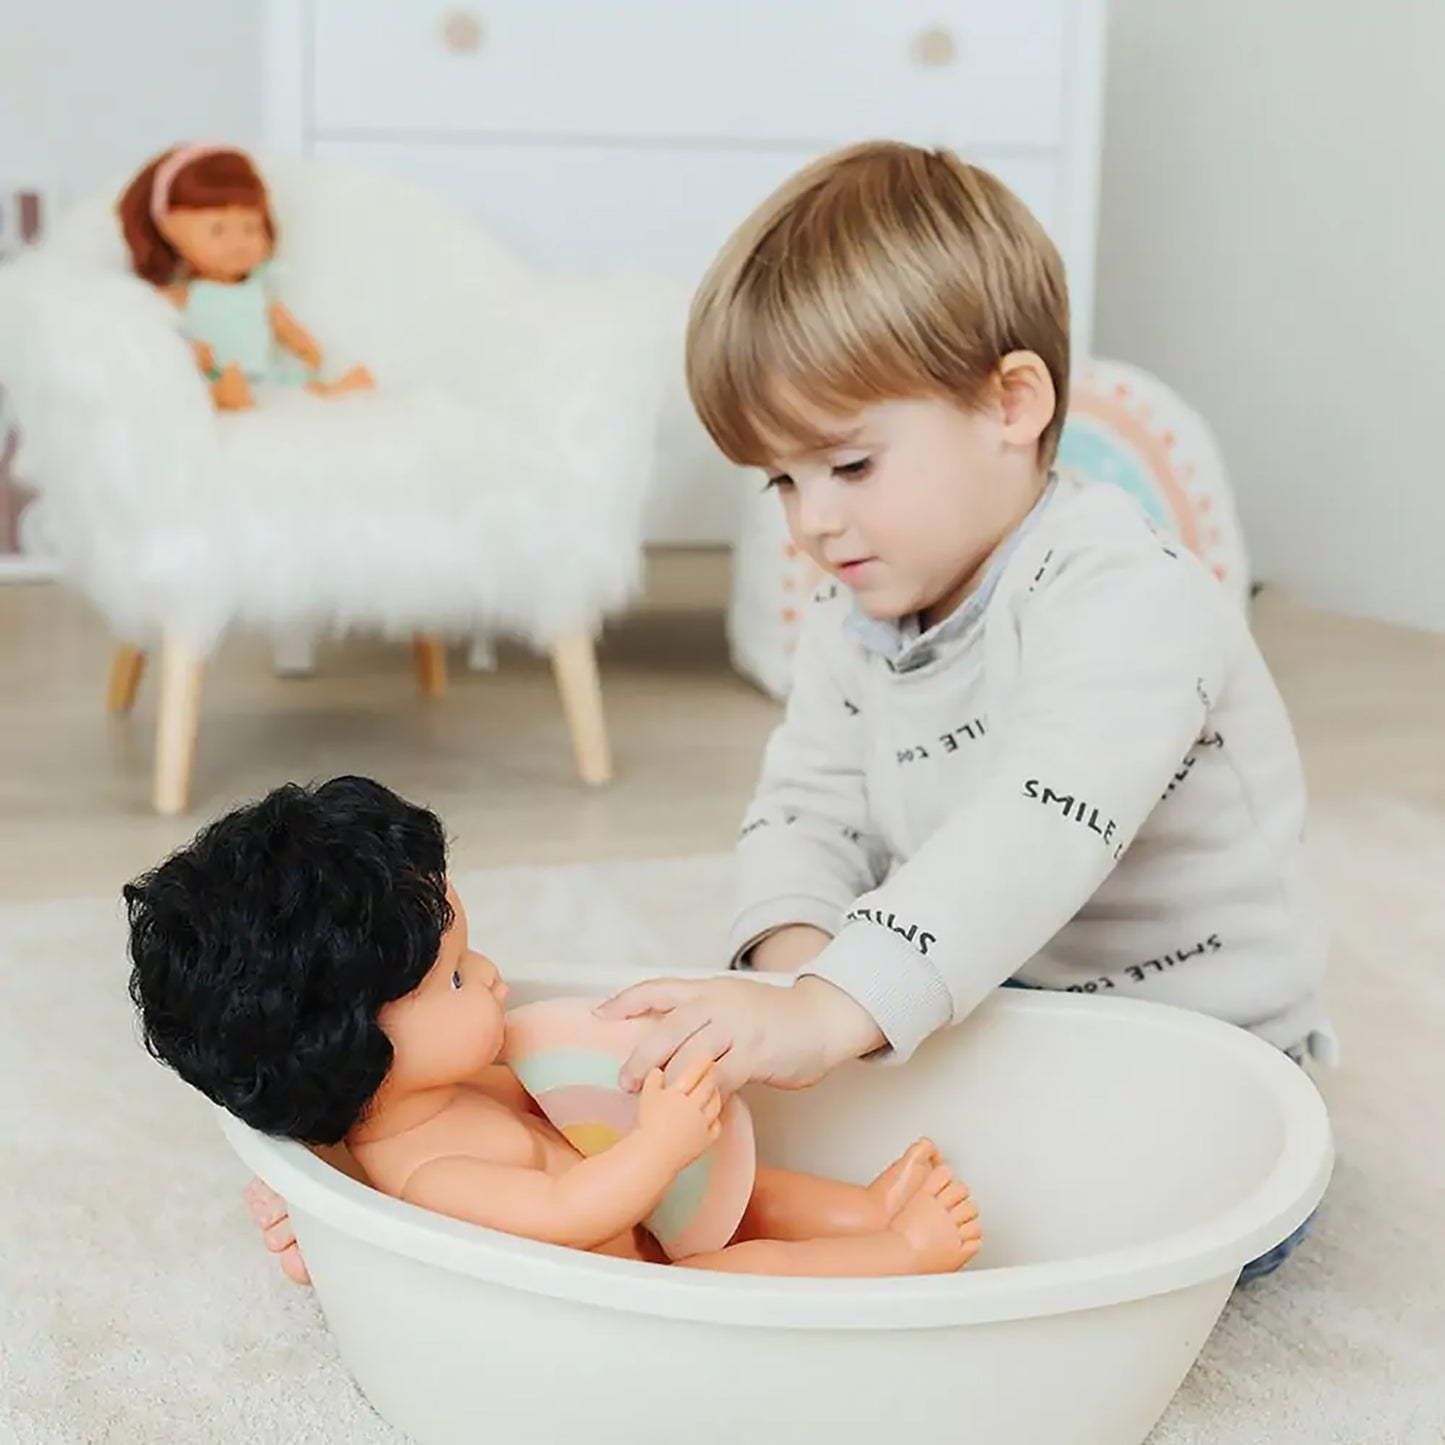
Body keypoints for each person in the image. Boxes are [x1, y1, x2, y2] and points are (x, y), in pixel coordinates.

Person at [592, 141, 1333, 1280]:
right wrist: (795, 976)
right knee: (747, 1151)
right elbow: (806, 804)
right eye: (781, 482)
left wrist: (836, 1008)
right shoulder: (854, 617)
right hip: (997, 1004)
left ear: (1009, 401)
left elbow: (1039, 823)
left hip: (1192, 1055)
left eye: (846, 464)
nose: (810, 525)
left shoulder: (1127, 591)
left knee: (1050, 1247)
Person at [126, 776, 981, 1284]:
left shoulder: (448, 1090)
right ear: (353, 1047)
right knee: (751, 1274)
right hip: (638, 1288)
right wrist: (658, 1144)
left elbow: (561, 1111)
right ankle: (901, 1253)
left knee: (758, 1191)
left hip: (652, 1219)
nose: (492, 973)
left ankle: (862, 1209)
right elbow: (567, 1209)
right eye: (458, 976)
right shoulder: (434, 1176)